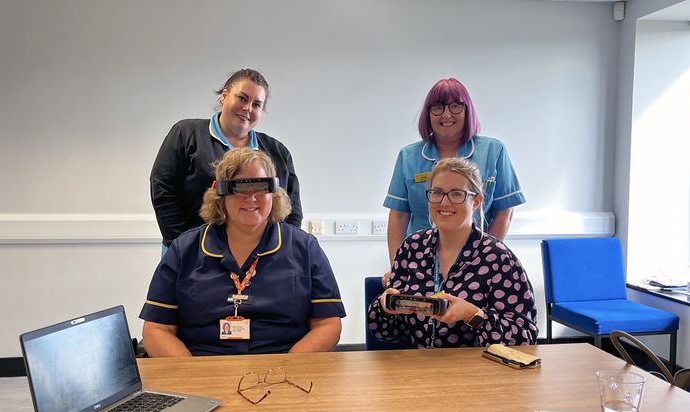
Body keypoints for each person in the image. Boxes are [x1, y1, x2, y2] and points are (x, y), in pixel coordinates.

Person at [141, 148, 345, 356]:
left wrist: (287, 368)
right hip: (203, 367)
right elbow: (157, 329)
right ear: (220, 194)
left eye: (261, 187)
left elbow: (328, 325)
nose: (251, 198)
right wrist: (193, 375)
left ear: (274, 194)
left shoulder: (305, 248)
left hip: (283, 369)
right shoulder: (184, 249)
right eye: (239, 188)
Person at [368, 158, 537, 348]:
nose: (444, 202)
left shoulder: (499, 258)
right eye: (437, 193)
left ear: (477, 201)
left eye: (457, 194)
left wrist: (474, 316)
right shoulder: (412, 247)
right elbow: (387, 333)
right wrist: (385, 308)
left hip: (477, 370)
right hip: (419, 367)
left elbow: (525, 337)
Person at [150, 68, 302, 253]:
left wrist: (283, 252)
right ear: (224, 96)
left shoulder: (278, 152)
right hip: (191, 253)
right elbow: (163, 190)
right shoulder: (186, 134)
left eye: (257, 104)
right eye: (242, 98)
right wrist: (185, 247)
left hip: (259, 259)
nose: (248, 108)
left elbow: (292, 211)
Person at [384, 78, 525, 267]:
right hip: (420, 263)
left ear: (468, 111)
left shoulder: (493, 151)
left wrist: (485, 260)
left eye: (456, 106)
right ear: (428, 114)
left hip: (477, 263)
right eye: (438, 107)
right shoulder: (408, 156)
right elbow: (399, 215)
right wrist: (397, 267)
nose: (447, 114)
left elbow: (504, 212)